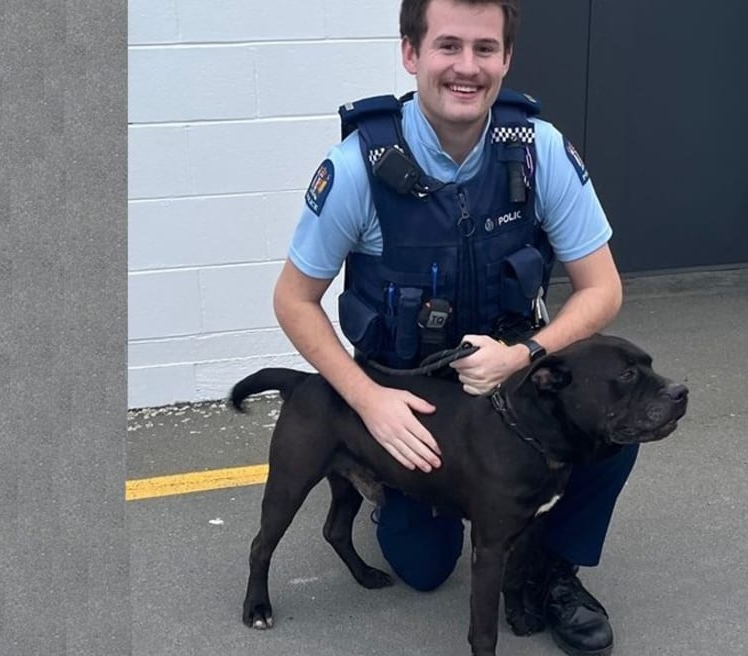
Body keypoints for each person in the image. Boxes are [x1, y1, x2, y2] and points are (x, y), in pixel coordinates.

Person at [272, 1, 638, 654]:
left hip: (514, 378)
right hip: (409, 400)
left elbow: (603, 288)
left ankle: (550, 568)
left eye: (484, 49)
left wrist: (525, 351)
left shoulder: (539, 151)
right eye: (448, 47)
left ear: (506, 59)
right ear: (411, 53)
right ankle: (396, 495)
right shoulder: (360, 164)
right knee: (424, 567)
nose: (467, 67)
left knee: (616, 417)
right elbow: (294, 300)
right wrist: (368, 402)